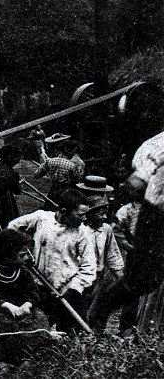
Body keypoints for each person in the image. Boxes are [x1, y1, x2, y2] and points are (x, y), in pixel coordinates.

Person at [89, 130, 164, 333]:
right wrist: (142, 178)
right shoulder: (157, 145)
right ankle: (102, 306)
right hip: (157, 212)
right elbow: (147, 162)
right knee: (144, 280)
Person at [7, 189, 96, 332]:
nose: (85, 218)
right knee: (38, 328)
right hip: (39, 286)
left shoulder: (83, 233)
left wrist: (73, 290)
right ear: (64, 210)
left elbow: (89, 268)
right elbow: (13, 227)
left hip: (68, 292)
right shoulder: (41, 218)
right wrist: (25, 250)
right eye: (81, 214)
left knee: (72, 332)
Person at [0, 229, 54, 362]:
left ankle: (30, 353)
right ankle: (4, 355)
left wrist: (27, 304)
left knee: (39, 316)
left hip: (22, 311)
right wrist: (8, 306)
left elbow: (33, 292)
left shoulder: (23, 271)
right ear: (7, 255)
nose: (26, 258)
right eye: (22, 255)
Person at [82, 196, 124, 311]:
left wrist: (121, 277)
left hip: (98, 277)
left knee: (94, 310)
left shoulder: (106, 230)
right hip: (81, 276)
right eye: (101, 214)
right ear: (90, 214)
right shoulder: (80, 230)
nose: (104, 217)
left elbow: (112, 255)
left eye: (105, 214)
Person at [33, 133, 84, 203]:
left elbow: (36, 175)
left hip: (53, 190)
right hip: (68, 191)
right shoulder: (73, 164)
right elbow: (78, 178)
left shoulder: (49, 161)